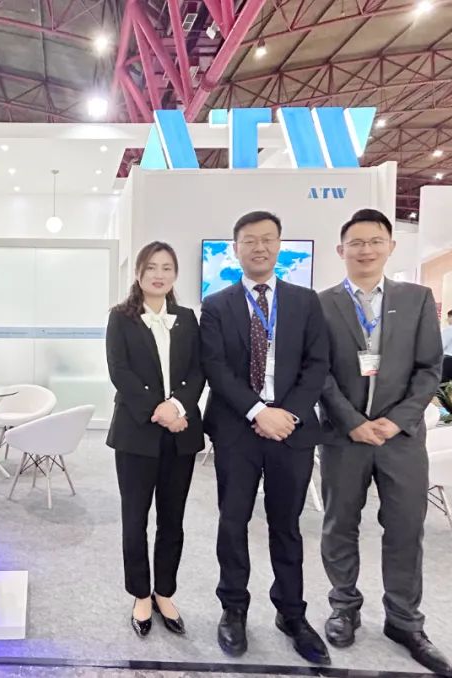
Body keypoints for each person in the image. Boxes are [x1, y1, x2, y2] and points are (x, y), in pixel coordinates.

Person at [318, 208, 452, 677]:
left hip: (402, 439)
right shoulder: (321, 304)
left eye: (375, 241)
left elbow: (429, 369)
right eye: (356, 242)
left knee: (405, 528)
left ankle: (404, 621)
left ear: (391, 247)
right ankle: (344, 607)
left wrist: (395, 422)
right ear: (341, 250)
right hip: (344, 437)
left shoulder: (416, 299)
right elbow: (318, 372)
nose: (366, 250)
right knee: (339, 524)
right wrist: (352, 422)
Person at [201, 211, 331, 665]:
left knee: (287, 525)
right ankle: (233, 608)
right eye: (249, 240)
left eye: (268, 239)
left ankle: (291, 613)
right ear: (235, 248)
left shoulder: (305, 301)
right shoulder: (216, 304)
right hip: (237, 429)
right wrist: (259, 411)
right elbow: (216, 368)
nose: (259, 247)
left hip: (291, 431)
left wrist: (286, 414)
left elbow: (317, 364)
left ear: (279, 246)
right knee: (232, 521)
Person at [105, 241, 204, 638]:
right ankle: (140, 595)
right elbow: (120, 372)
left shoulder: (187, 318)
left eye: (166, 268)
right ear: (139, 273)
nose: (159, 275)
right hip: (136, 433)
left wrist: (177, 407)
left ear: (175, 274)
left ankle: (165, 592)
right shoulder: (121, 317)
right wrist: (158, 410)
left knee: (172, 520)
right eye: (151, 267)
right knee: (135, 519)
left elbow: (198, 370)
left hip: (181, 433)